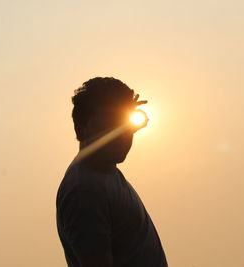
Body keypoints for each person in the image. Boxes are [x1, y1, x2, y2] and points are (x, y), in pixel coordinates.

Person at [56, 77, 168, 267]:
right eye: (110, 124)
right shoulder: (85, 189)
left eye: (126, 124)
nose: (123, 134)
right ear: (81, 129)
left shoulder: (102, 175)